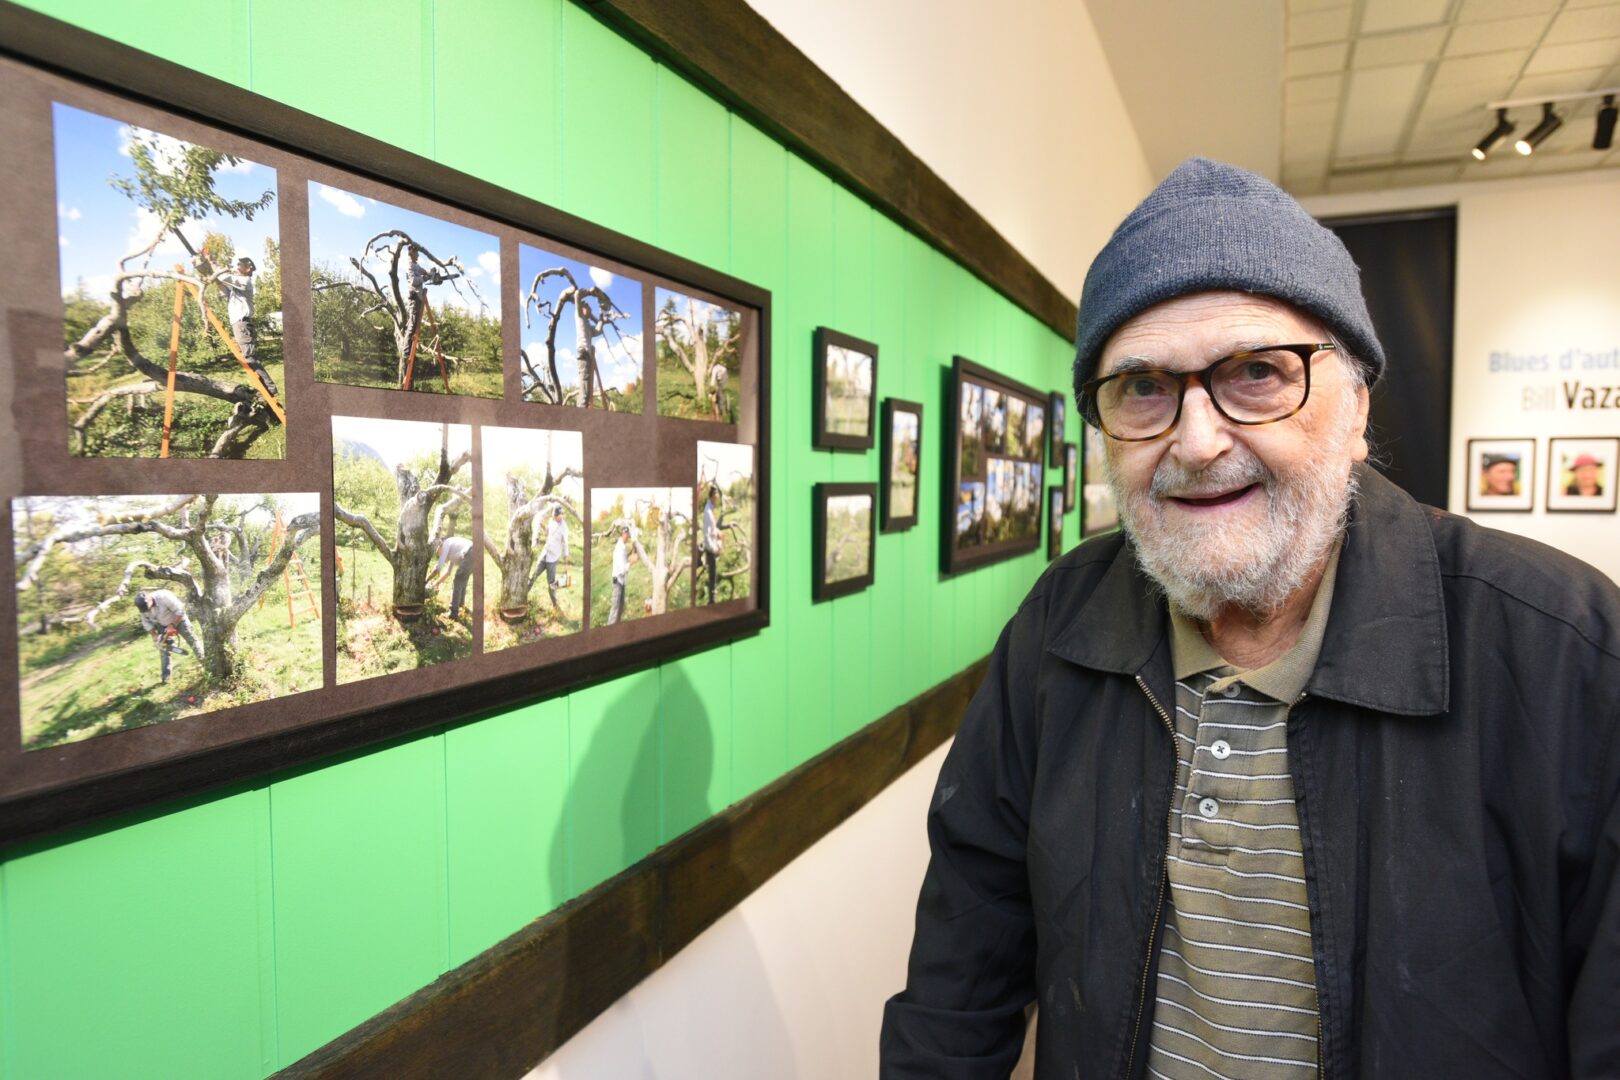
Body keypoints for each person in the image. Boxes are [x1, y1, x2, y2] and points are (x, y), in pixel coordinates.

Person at [880, 158, 1620, 1079]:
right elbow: (963, 964)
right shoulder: (1058, 626)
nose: (1195, 441)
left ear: (1356, 409)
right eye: (1143, 387)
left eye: (1259, 373)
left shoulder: (1564, 652)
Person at [201, 255, 277, 400]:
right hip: (239, 323)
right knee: (248, 356)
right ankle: (264, 387)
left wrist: (212, 263)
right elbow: (225, 291)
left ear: (248, 269)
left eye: (240, 265)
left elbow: (227, 278)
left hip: (242, 323)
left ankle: (270, 388)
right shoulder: (238, 287)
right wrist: (216, 278)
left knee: (249, 357)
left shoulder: (245, 281)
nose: (237, 267)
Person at [133, 588, 204, 684]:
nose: (146, 610)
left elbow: (180, 610)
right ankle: (166, 677)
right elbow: (146, 623)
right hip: (162, 625)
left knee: (192, 639)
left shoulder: (163, 596)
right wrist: (154, 636)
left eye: (147, 606)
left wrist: (173, 625)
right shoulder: (143, 608)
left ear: (149, 598)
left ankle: (205, 662)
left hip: (178, 619)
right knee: (163, 648)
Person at [425, 535, 474, 620]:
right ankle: (461, 606)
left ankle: (453, 613)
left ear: (440, 545)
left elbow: (438, 568)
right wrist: (436, 583)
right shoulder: (452, 551)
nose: (437, 553)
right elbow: (447, 573)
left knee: (458, 581)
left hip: (471, 552)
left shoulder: (446, 544)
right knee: (462, 581)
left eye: (437, 550)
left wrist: (426, 580)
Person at [537, 505, 569, 611]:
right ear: (554, 516)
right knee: (533, 575)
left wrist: (566, 563)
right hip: (545, 553)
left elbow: (565, 545)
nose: (561, 517)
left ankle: (555, 605)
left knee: (551, 584)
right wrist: (543, 525)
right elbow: (548, 532)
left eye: (562, 514)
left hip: (553, 557)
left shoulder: (564, 528)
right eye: (559, 515)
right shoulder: (551, 521)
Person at [606, 523, 634, 625]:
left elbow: (624, 559)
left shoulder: (622, 546)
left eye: (628, 535)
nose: (627, 537)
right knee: (615, 611)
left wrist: (631, 553)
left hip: (621, 582)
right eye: (626, 534)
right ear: (623, 534)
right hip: (618, 582)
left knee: (620, 609)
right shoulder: (619, 548)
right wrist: (631, 562)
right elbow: (622, 569)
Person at [701, 484, 723, 604]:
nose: (717, 499)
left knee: (713, 575)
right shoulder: (708, 512)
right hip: (710, 549)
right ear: (712, 496)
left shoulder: (710, 508)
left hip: (711, 546)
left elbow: (711, 529)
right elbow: (706, 535)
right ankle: (712, 602)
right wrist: (715, 549)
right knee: (712, 576)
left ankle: (712, 597)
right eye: (716, 497)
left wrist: (718, 532)